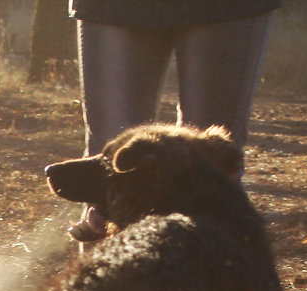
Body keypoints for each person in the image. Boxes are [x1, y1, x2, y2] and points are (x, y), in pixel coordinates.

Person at [67, 1, 281, 243]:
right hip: (113, 7)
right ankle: (108, 276)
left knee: (213, 165)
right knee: (108, 179)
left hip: (226, 8)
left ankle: (219, 275)